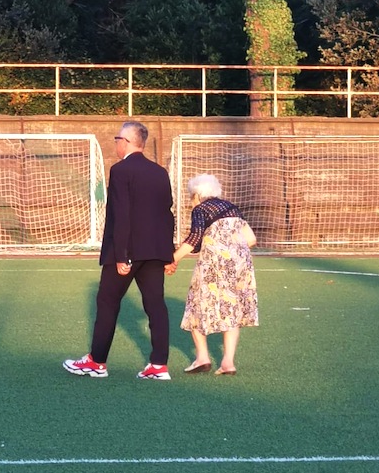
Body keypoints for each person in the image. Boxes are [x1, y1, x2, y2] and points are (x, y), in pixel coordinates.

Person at [63, 121, 175, 380]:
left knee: (107, 302)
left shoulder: (121, 170)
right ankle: (159, 365)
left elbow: (121, 214)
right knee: (156, 305)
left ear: (126, 141)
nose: (115, 143)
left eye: (117, 138)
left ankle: (96, 362)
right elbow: (166, 213)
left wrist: (122, 254)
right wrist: (167, 252)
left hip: (128, 251)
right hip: (155, 252)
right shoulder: (160, 172)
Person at [167, 173, 258, 375]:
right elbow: (250, 239)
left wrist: (173, 259)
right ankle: (228, 363)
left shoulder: (201, 209)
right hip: (240, 264)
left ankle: (202, 358)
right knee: (232, 308)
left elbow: (194, 239)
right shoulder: (232, 208)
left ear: (198, 194)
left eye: (192, 195)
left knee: (197, 305)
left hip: (214, 264)